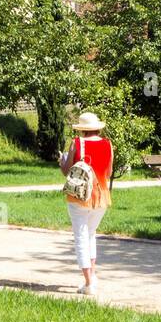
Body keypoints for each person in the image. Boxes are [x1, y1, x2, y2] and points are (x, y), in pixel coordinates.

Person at [59, 111, 113, 295]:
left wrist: (62, 162)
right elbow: (108, 172)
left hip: (80, 196)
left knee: (81, 236)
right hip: (102, 195)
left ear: (82, 129)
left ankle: (89, 283)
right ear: (97, 127)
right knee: (91, 234)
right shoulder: (108, 144)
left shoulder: (77, 143)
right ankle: (93, 275)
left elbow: (67, 172)